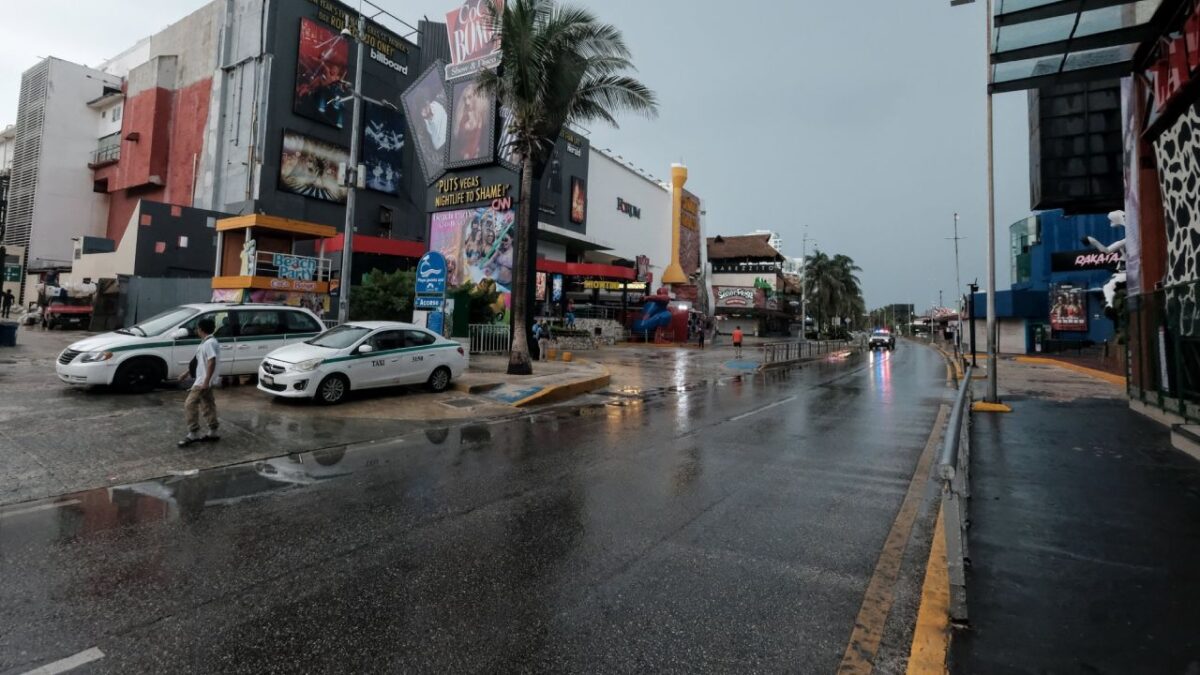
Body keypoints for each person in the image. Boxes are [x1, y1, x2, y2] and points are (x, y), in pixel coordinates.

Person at [179, 317, 220, 447]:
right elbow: (198, 361)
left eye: (197, 328)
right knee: (208, 404)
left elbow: (211, 361)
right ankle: (213, 431)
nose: (196, 330)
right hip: (204, 379)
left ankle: (193, 433)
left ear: (200, 329)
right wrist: (186, 373)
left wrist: (206, 381)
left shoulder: (209, 343)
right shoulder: (206, 342)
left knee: (189, 404)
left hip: (203, 381)